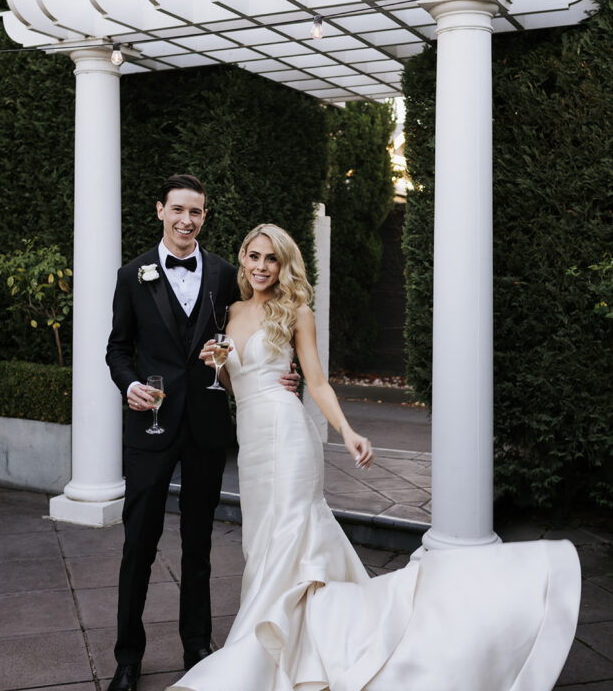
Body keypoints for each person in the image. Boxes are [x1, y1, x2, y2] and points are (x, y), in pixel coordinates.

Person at [167, 223, 581, 691]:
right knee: (262, 546)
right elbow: (235, 385)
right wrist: (218, 366)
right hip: (252, 442)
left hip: (288, 437)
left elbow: (317, 382)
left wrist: (347, 431)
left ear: (284, 265)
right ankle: (302, 644)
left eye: (271, 259)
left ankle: (263, 650)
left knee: (289, 539)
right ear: (242, 258)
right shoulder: (232, 311)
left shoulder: (297, 311)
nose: (261, 267)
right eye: (254, 256)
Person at [105, 178, 299, 691]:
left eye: (196, 212)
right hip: (151, 426)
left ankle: (197, 643)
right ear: (160, 212)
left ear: (205, 217)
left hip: (208, 426)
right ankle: (128, 657)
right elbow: (117, 349)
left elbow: (261, 321)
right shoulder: (132, 275)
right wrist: (128, 386)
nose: (186, 220)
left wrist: (285, 369)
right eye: (177, 210)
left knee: (199, 543)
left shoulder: (224, 273)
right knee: (138, 544)